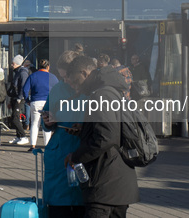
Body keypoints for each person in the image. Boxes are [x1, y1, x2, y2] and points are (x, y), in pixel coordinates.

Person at [64, 56, 139, 218]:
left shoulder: (101, 95)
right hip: (115, 181)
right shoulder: (110, 91)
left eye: (74, 81)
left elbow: (106, 137)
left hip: (105, 184)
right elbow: (110, 129)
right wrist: (85, 130)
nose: (73, 86)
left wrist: (75, 156)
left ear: (84, 73)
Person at [42, 50, 84, 217]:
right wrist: (48, 122)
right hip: (59, 153)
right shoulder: (58, 89)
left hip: (81, 150)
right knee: (59, 205)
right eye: (61, 77)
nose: (65, 81)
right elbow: (47, 116)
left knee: (82, 203)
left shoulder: (90, 92)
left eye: (67, 76)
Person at [23, 59, 59, 152]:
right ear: (48, 67)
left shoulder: (32, 76)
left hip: (35, 102)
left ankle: (33, 145)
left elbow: (25, 90)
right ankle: (47, 145)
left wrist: (27, 100)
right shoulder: (53, 77)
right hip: (48, 102)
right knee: (47, 123)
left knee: (34, 123)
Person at [9, 54, 29, 145]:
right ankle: (18, 136)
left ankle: (23, 136)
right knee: (14, 117)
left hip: (19, 98)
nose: (11, 65)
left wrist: (20, 98)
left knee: (15, 118)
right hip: (15, 97)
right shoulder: (17, 72)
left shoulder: (22, 72)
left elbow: (23, 86)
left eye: (13, 63)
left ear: (17, 64)